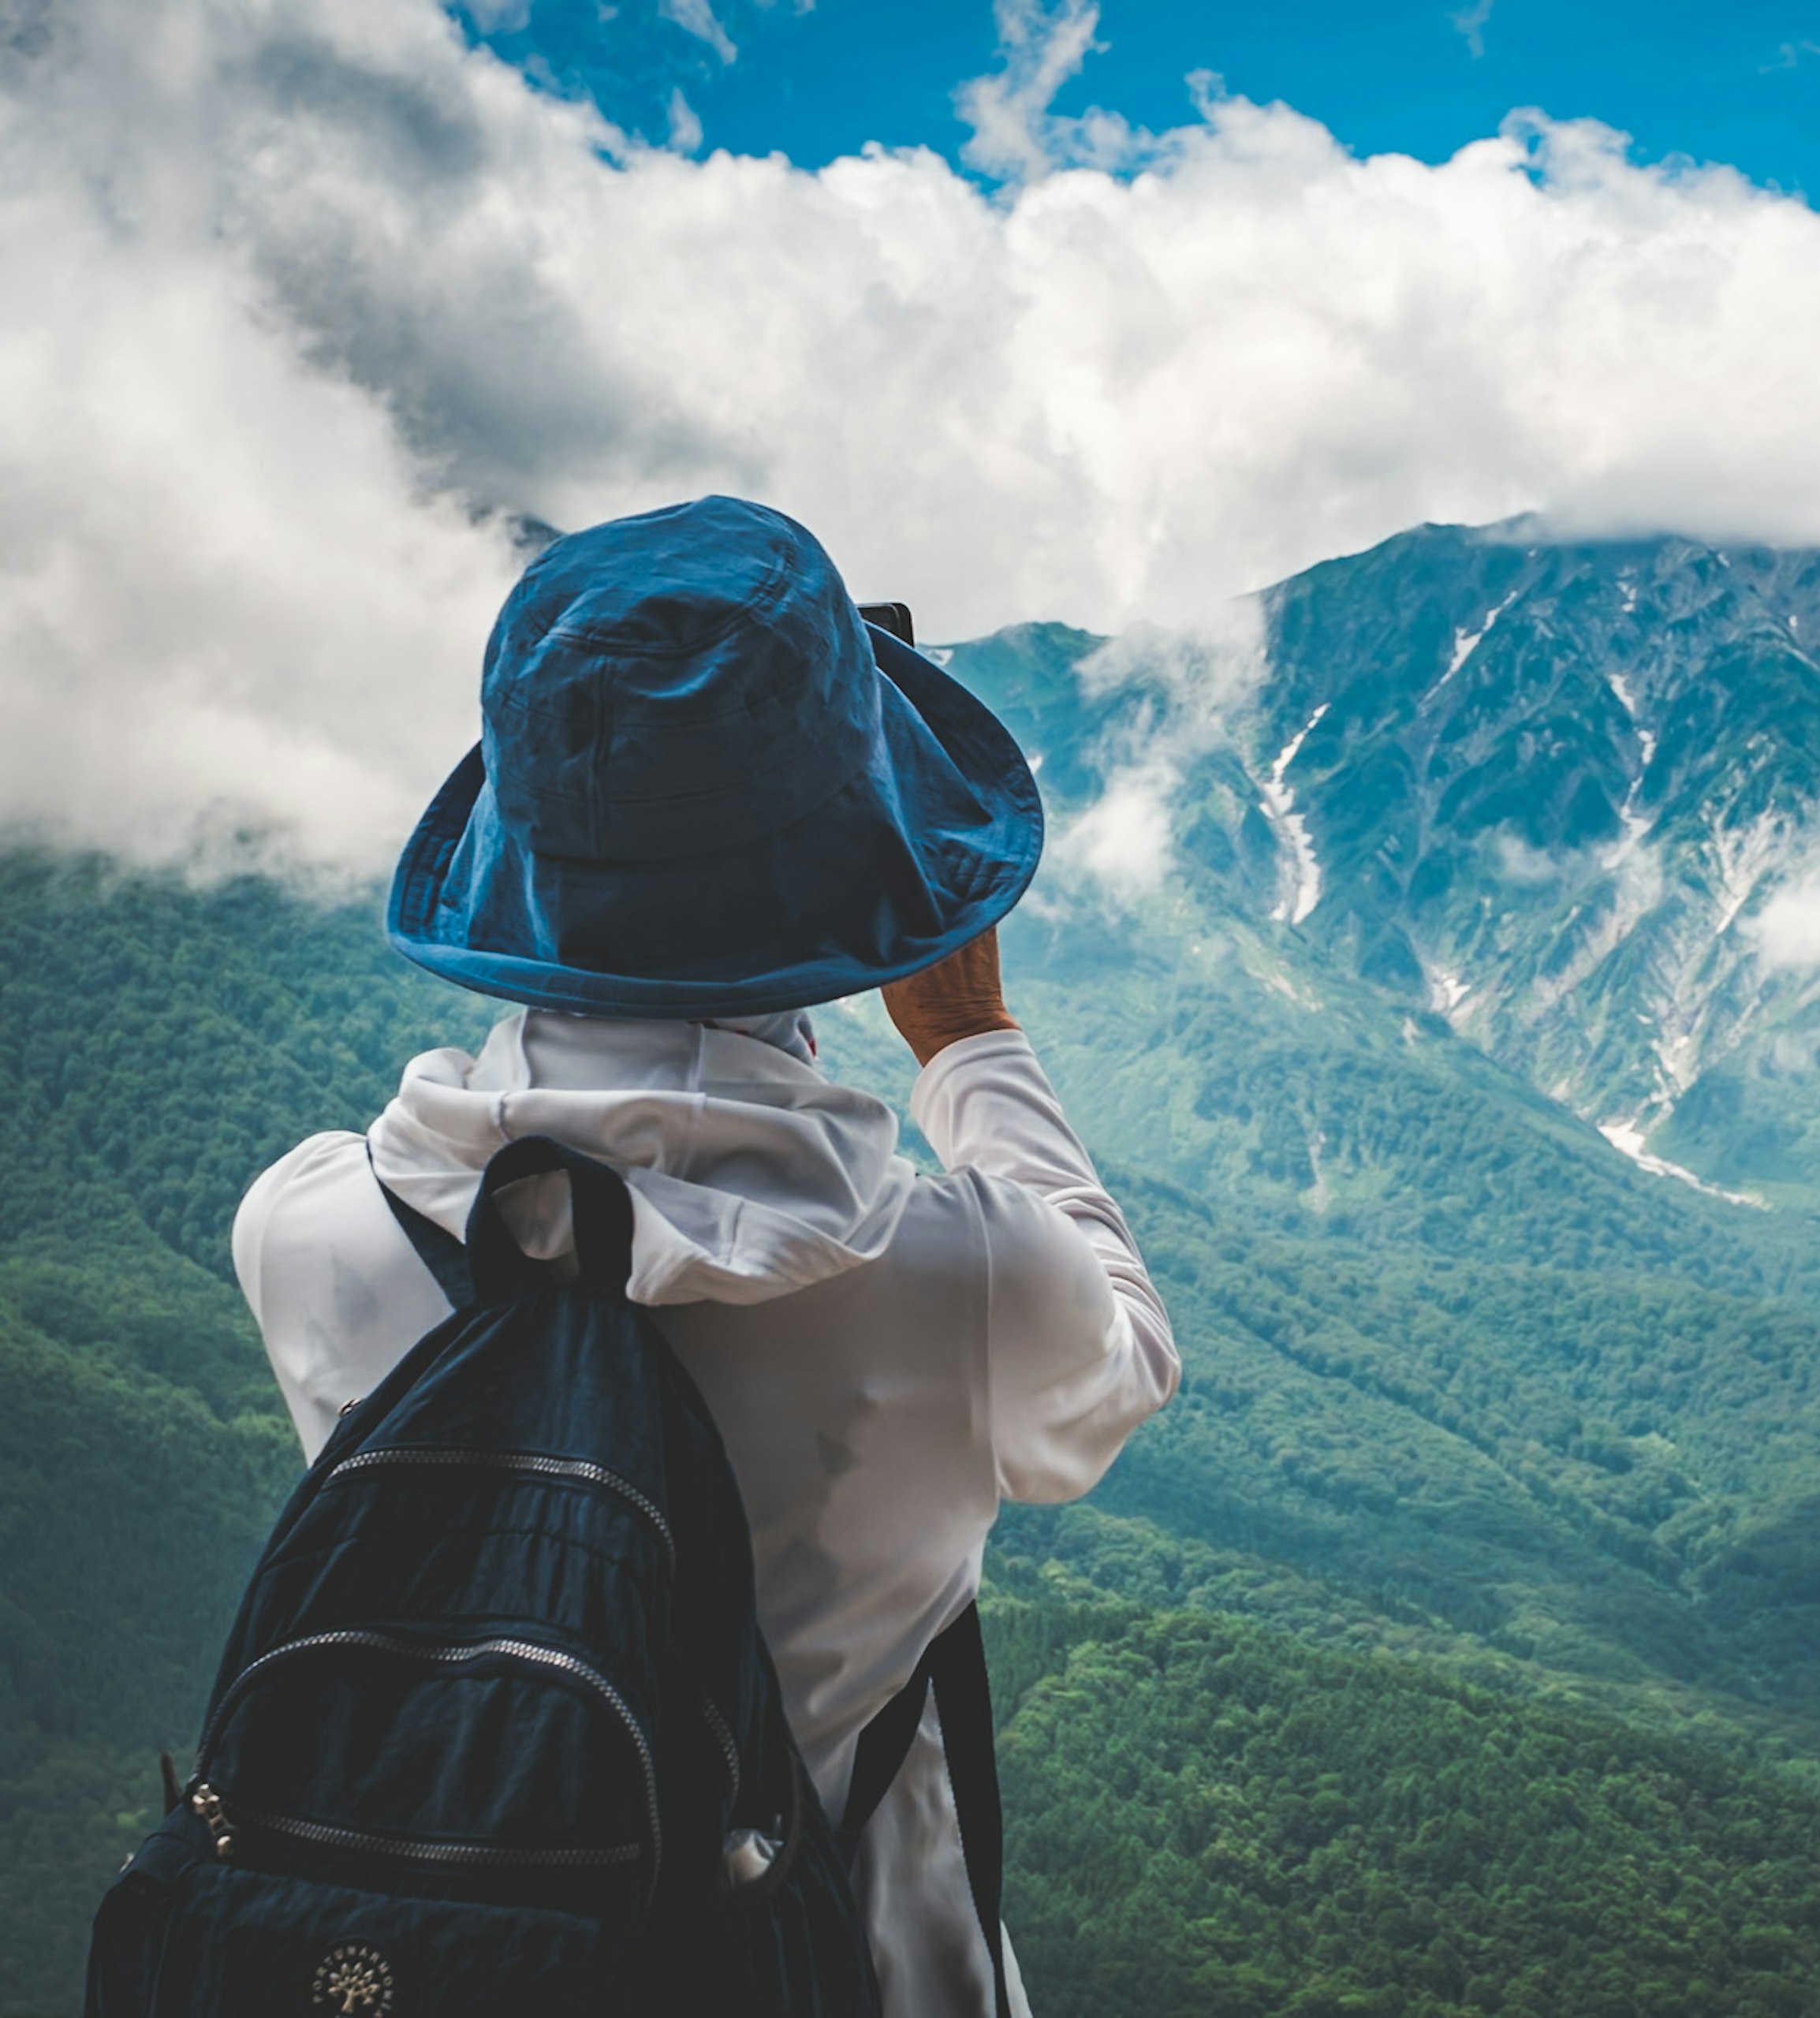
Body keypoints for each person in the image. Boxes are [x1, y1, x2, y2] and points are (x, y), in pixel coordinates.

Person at [227, 496, 1180, 2018]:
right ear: (861, 874)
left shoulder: (311, 1230)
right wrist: (972, 1042)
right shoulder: (959, 1288)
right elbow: (1126, 1354)